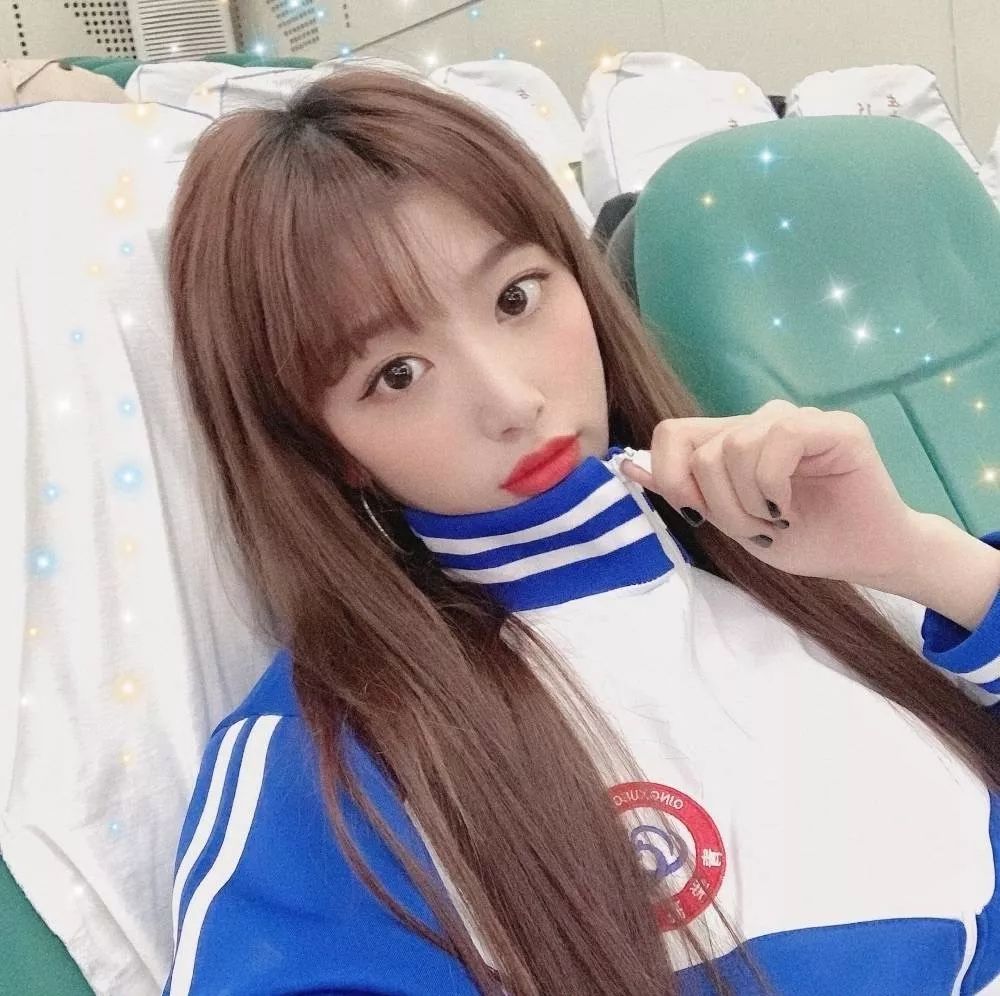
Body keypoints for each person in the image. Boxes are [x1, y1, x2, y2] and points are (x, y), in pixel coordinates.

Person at [161, 69, 1000, 996]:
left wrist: (920, 558)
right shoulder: (323, 764)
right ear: (327, 447)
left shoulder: (796, 547)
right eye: (396, 374)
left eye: (516, 299)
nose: (511, 400)